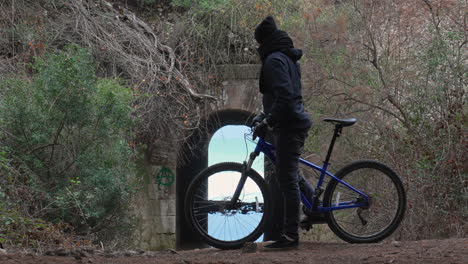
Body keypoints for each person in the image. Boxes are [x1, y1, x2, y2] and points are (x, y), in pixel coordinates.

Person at [251, 16, 315, 250]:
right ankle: (315, 206)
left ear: (264, 41)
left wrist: (268, 120)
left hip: (289, 125)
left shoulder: (274, 60)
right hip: (291, 122)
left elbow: (285, 97)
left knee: (287, 179)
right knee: (289, 171)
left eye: (258, 44)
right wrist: (264, 115)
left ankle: (290, 236)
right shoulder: (286, 57)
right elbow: (280, 96)